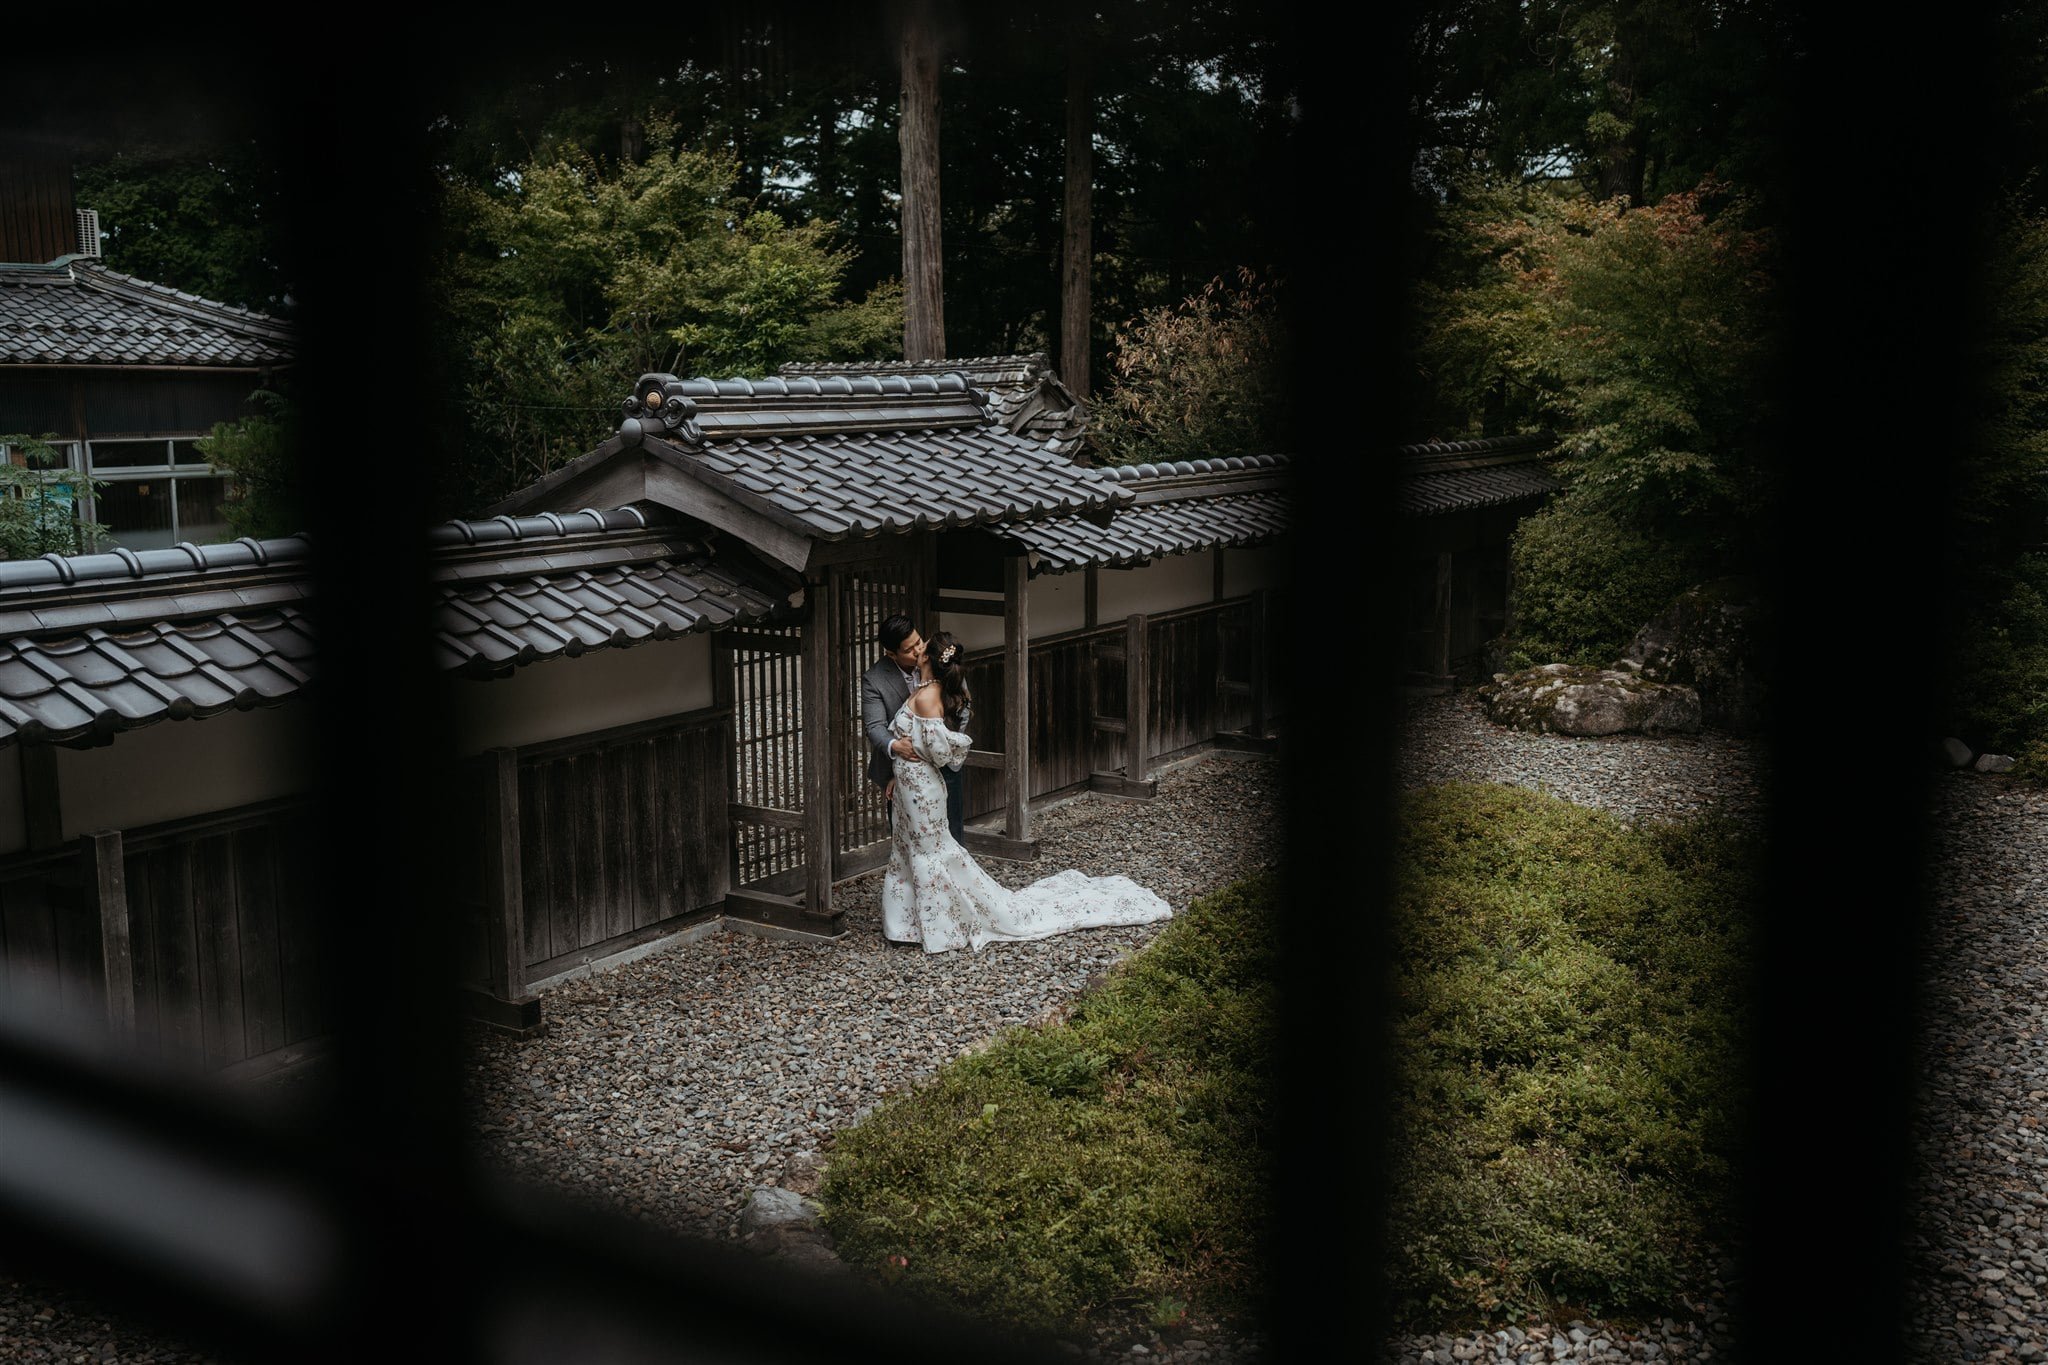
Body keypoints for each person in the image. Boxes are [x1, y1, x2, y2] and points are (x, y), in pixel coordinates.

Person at [878, 632, 1173, 952]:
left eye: (921, 647)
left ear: (927, 660)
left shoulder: (927, 696)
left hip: (921, 788)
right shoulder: (926, 690)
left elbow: (938, 752)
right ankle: (907, 924)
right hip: (909, 785)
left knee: (928, 853)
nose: (917, 648)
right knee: (907, 848)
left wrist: (912, 753)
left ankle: (942, 927)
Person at [860, 613, 965, 841]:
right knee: (909, 838)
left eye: (918, 642)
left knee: (951, 834)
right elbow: (875, 726)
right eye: (909, 650)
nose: (918, 651)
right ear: (891, 654)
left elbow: (962, 708)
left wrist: (945, 749)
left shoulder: (938, 655)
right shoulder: (875, 679)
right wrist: (897, 748)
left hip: (944, 764)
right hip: (901, 772)